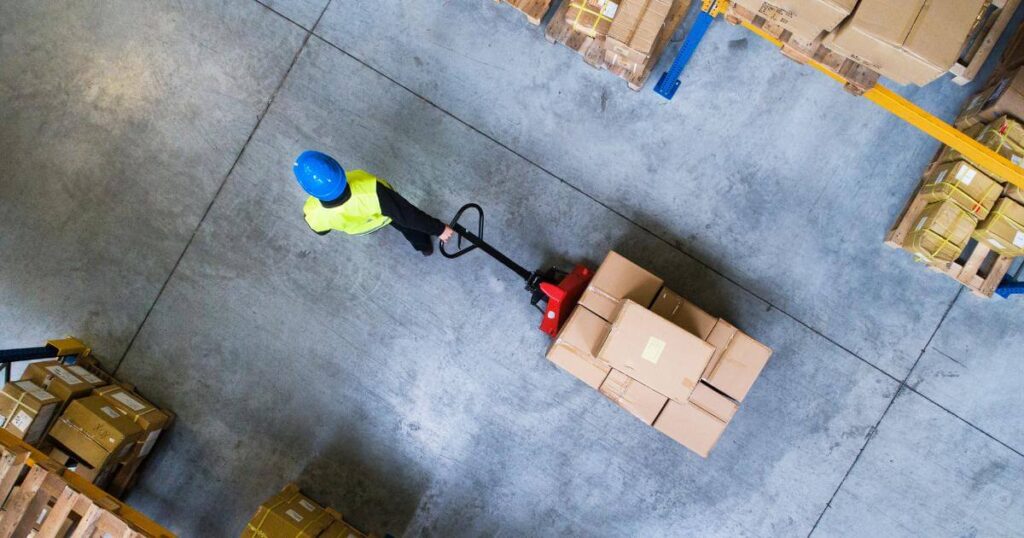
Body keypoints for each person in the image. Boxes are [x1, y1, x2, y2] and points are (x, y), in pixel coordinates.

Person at [293, 151, 454, 256]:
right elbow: (408, 215)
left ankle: (424, 248)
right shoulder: (372, 192)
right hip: (385, 216)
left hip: (361, 227)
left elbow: (322, 231)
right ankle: (424, 246)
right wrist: (439, 229)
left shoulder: (312, 213)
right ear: (338, 169)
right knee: (407, 227)